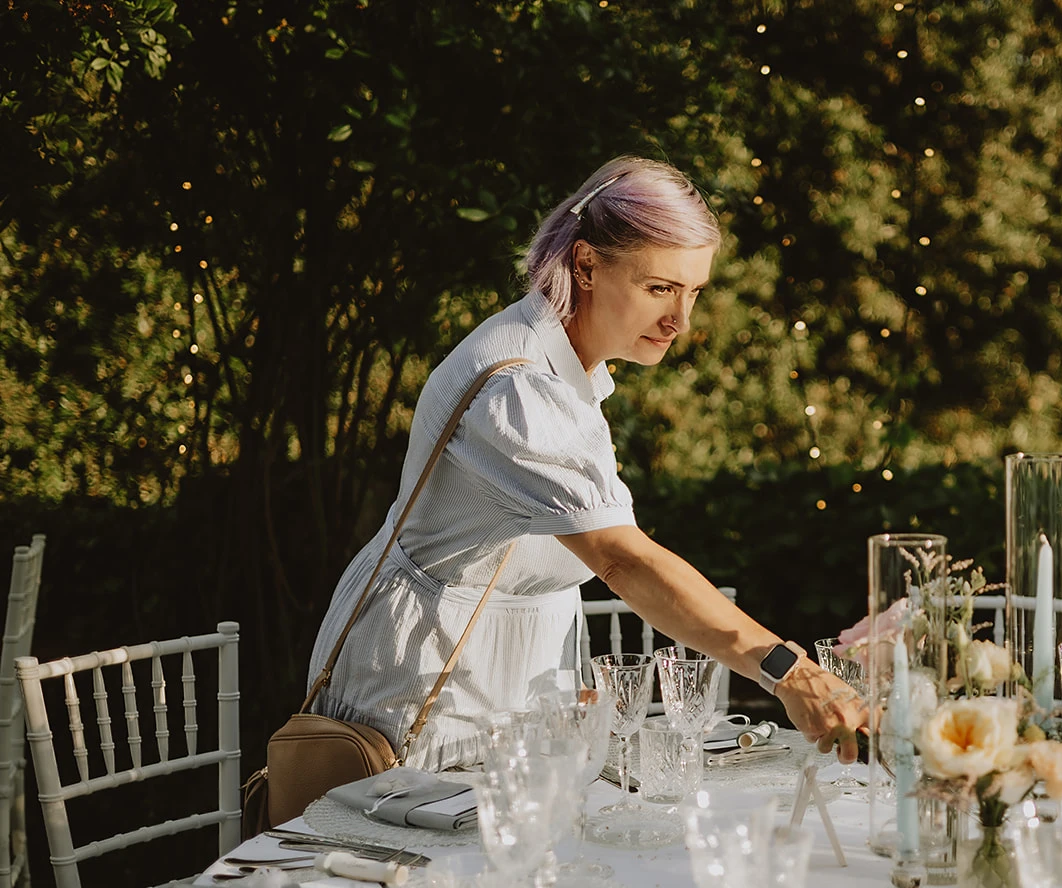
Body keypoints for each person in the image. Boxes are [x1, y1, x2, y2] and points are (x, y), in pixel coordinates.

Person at [305, 155, 867, 770]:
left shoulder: (564, 365)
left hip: (505, 684)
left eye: (694, 292)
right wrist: (786, 670)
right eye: (660, 288)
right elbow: (623, 560)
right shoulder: (518, 389)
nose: (681, 320)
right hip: (424, 685)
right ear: (586, 264)